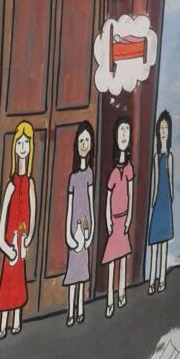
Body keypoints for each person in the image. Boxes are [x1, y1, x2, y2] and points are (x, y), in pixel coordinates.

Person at [0, 120, 36, 337]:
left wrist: (28, 238)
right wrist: (4, 244)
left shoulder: (29, 183)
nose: (22, 147)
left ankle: (17, 319)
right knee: (7, 282)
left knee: (19, 282)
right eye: (19, 142)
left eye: (26, 142)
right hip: (10, 243)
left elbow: (34, 212)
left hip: (21, 243)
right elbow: (3, 216)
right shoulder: (11, 184)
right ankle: (3, 323)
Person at [63, 120, 95, 326]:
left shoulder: (89, 174)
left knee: (82, 272)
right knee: (72, 272)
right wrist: (68, 234)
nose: (84, 144)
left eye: (87, 140)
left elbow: (90, 204)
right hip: (74, 229)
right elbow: (70, 205)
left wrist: (90, 233)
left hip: (85, 228)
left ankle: (80, 308)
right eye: (81, 140)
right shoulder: (73, 177)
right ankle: (70, 310)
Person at [102, 117, 134, 316]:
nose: (124, 134)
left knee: (122, 258)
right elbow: (107, 199)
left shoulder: (129, 169)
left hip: (123, 219)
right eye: (121, 130)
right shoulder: (114, 173)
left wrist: (129, 219)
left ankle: (122, 292)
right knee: (112, 259)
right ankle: (110, 297)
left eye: (127, 131)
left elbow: (129, 195)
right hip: (114, 220)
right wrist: (108, 221)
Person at [146, 109, 174, 293]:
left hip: (166, 203)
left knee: (163, 244)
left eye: (165, 127)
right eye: (161, 127)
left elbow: (170, 180)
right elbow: (156, 181)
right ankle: (152, 280)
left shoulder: (169, 157)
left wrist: (170, 198)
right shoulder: (157, 158)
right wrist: (153, 200)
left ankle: (161, 279)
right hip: (158, 203)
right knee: (155, 242)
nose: (163, 130)